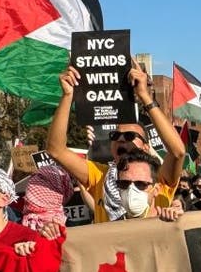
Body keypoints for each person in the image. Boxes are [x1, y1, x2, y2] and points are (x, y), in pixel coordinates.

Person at [45, 62, 185, 223]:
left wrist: (144, 96)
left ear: (146, 146)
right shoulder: (99, 176)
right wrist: (68, 96)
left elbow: (178, 152)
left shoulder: (158, 176)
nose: (120, 139)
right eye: (115, 135)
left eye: (129, 136)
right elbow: (56, 150)